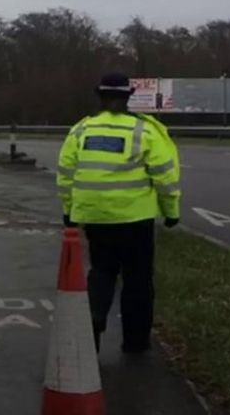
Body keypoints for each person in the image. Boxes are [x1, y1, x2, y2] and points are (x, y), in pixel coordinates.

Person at [56, 72, 181, 353]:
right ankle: (135, 342)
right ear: (128, 97)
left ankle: (94, 320)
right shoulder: (145, 131)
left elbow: (65, 173)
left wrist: (68, 209)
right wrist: (171, 211)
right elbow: (165, 176)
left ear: (99, 96)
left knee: (101, 271)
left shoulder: (81, 129)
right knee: (138, 279)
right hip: (135, 219)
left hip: (95, 217)